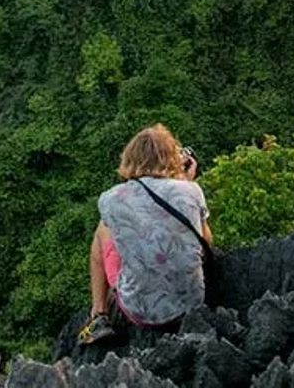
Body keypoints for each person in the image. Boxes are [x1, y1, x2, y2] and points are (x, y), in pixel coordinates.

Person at [77, 124, 211, 344]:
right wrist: (187, 182)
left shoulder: (111, 199)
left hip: (139, 310)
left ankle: (99, 315)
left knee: (102, 229)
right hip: (191, 303)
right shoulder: (191, 190)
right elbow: (206, 242)